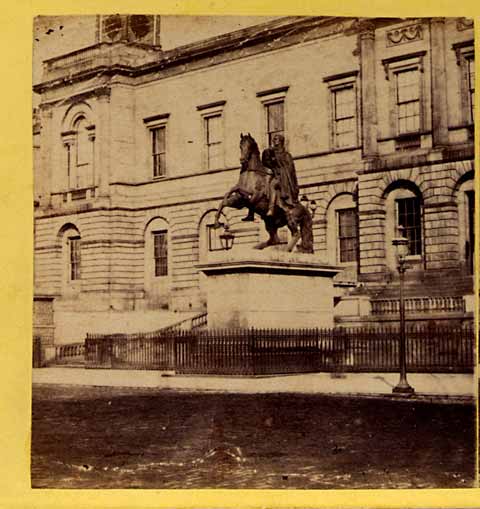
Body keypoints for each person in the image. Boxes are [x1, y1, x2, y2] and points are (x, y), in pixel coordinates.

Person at [262, 134, 299, 216]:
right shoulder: (271, 153)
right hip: (275, 174)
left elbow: (290, 169)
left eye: (276, 139)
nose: (274, 141)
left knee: (273, 185)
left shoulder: (286, 155)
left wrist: (281, 171)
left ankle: (271, 208)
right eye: (273, 139)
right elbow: (266, 162)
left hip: (283, 178)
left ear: (280, 141)